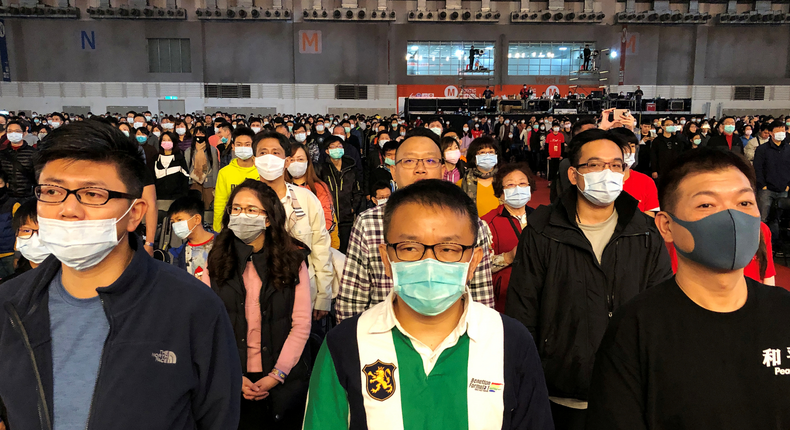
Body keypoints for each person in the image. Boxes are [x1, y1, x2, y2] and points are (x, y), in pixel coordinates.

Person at [0, 120, 241, 430]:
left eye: (92, 194)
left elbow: (218, 418)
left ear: (135, 214)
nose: (68, 209)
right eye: (52, 191)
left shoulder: (192, 309)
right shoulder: (11, 306)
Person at [304, 179, 553, 430]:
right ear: (386, 258)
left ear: (475, 260)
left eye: (449, 248)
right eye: (410, 247)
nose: (429, 262)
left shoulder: (509, 340)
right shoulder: (345, 343)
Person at [585, 148, 790, 429]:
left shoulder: (783, 311)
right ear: (666, 226)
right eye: (707, 205)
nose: (732, 218)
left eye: (744, 203)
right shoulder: (635, 329)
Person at [506, 129, 673, 430]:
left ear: (625, 174)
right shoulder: (542, 231)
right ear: (573, 174)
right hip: (560, 392)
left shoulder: (645, 232)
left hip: (629, 391)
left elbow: (661, 313)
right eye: (594, 165)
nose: (606, 173)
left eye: (615, 165)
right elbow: (523, 309)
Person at [335, 128, 495, 323]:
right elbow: (352, 301)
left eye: (430, 160)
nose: (420, 169)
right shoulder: (368, 224)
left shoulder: (471, 224)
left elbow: (482, 299)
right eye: (409, 161)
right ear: (393, 170)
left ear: (443, 169)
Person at [204, 179, 311, 429]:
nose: (242, 215)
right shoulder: (216, 259)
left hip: (282, 376)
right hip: (233, 377)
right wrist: (233, 374)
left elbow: (301, 324)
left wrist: (277, 375)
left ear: (268, 218)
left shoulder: (293, 260)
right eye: (236, 209)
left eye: (252, 210)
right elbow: (210, 324)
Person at [252, 131, 333, 322]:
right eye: (263, 153)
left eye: (276, 153)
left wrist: (323, 296)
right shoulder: (246, 199)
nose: (269, 158)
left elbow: (320, 247)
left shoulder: (306, 199)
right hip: (256, 294)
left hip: (301, 292)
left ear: (287, 161)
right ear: (255, 160)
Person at [482, 163, 535, 313]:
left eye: (522, 183)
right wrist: (508, 257)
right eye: (510, 185)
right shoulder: (487, 222)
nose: (518, 189)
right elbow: (480, 266)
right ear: (501, 192)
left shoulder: (541, 217)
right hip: (505, 298)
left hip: (538, 294)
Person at [287, 142, 337, 248]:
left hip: (316, 245)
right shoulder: (281, 187)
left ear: (308, 162)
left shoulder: (319, 188)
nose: (296, 163)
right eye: (292, 160)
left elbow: (328, 219)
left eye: (300, 159)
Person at [320, 136, 364, 254]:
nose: (337, 149)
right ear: (327, 151)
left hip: (347, 217)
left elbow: (358, 190)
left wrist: (353, 207)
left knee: (346, 251)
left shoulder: (351, 168)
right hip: (329, 218)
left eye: (339, 146)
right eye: (333, 147)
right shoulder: (322, 169)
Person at [213, 127, 260, 232]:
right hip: (232, 225)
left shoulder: (261, 171)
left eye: (247, 144)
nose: (243, 147)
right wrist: (218, 228)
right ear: (233, 147)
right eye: (239, 144)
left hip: (257, 223)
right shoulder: (225, 172)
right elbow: (220, 202)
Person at [753, 122, 790, 241]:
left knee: (777, 218)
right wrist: (762, 185)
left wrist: (788, 185)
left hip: (783, 188)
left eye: (783, 130)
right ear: (771, 133)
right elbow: (757, 168)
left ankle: (774, 243)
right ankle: (759, 243)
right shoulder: (762, 149)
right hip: (766, 189)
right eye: (778, 131)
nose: (781, 133)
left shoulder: (788, 149)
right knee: (763, 217)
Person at [167, 193, 217, 281]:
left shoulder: (222, 243)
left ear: (197, 219)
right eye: (173, 222)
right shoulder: (179, 254)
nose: (176, 225)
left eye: (179, 220)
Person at [611, 128, 660, 214]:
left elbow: (649, 219)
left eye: (632, 146)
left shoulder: (646, 182)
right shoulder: (600, 181)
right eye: (623, 146)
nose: (628, 151)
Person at [458, 136, 501, 218]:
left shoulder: (505, 181)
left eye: (491, 152)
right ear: (474, 157)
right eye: (482, 152)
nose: (487, 155)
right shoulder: (461, 184)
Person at [185, 126, 221, 211]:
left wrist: (215, 184)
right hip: (194, 182)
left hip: (209, 183)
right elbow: (187, 167)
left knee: (209, 206)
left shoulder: (212, 150)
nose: (199, 135)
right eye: (197, 133)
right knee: (195, 207)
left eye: (202, 133)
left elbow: (215, 167)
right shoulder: (189, 151)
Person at [153, 131, 190, 214]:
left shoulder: (179, 158)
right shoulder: (156, 158)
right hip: (159, 197)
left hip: (176, 197)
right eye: (164, 140)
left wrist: (183, 196)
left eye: (169, 140)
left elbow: (185, 178)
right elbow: (152, 178)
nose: (166, 142)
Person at [0, 119, 37, 199]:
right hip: (7, 197)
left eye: (17, 131)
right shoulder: (2, 154)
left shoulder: (33, 153)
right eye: (10, 131)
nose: (13, 133)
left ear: (23, 133)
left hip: (28, 196)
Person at [546, 122, 565, 187]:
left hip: (558, 155)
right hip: (551, 156)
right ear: (552, 128)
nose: (556, 128)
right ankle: (550, 181)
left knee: (558, 169)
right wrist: (547, 155)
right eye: (555, 127)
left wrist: (562, 155)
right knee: (551, 169)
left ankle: (557, 182)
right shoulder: (549, 136)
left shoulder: (561, 135)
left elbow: (562, 146)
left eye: (557, 127)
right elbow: (546, 145)